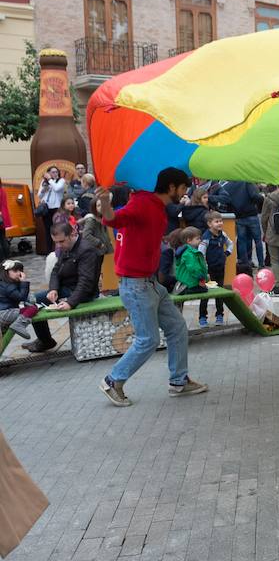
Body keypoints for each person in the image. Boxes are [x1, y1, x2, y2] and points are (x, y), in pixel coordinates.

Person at [97, 167, 208, 407]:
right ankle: (112, 380)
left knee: (177, 328)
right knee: (147, 340)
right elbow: (112, 219)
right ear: (171, 188)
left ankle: (179, 382)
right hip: (136, 286)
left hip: (150, 284)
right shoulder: (142, 203)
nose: (184, 193)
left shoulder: (155, 206)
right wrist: (105, 202)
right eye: (182, 188)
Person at [24, 223, 102, 353]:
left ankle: (45, 341)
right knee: (31, 301)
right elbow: (55, 271)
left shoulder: (86, 250)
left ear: (72, 235)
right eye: (56, 242)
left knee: (33, 301)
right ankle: (45, 339)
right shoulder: (67, 247)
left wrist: (70, 302)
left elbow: (86, 282)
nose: (59, 245)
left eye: (61, 241)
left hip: (81, 293)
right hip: (67, 288)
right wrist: (53, 289)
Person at [213, 180, 264, 268]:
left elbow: (226, 201)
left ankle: (245, 264)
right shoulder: (247, 182)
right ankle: (261, 264)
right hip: (251, 215)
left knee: (241, 241)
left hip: (238, 217)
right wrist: (262, 197)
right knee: (258, 240)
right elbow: (254, 196)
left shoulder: (227, 186)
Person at [199, 211, 233, 324]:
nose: (220, 223)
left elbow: (230, 243)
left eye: (221, 221)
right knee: (205, 294)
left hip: (220, 268)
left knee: (220, 293)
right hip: (209, 270)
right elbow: (201, 254)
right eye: (217, 221)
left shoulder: (222, 234)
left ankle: (220, 315)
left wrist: (227, 253)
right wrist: (205, 269)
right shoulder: (206, 238)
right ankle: (202, 317)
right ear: (209, 224)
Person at [0, 260, 40, 340]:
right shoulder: (8, 287)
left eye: (20, 270)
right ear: (6, 272)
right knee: (32, 309)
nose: (19, 273)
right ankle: (19, 324)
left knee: (3, 338)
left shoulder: (6, 284)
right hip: (5, 313)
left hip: (5, 312)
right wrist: (24, 283)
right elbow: (22, 297)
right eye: (15, 271)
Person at [174, 227, 209, 295]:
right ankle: (186, 290)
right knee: (204, 290)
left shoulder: (186, 251)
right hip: (190, 282)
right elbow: (194, 268)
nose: (200, 240)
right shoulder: (189, 253)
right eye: (197, 238)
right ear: (189, 240)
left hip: (187, 281)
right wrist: (201, 277)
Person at [37, 166, 67, 245]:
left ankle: (60, 249)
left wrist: (50, 180)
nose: (55, 174)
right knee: (48, 230)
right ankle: (49, 251)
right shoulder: (44, 181)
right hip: (47, 208)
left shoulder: (61, 180)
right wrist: (44, 190)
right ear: (49, 173)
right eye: (53, 172)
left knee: (58, 229)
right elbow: (39, 195)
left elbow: (57, 188)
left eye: (56, 172)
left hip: (57, 208)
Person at [157, 228, 181, 293]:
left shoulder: (164, 245)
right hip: (160, 289)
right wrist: (180, 279)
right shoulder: (168, 251)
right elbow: (162, 278)